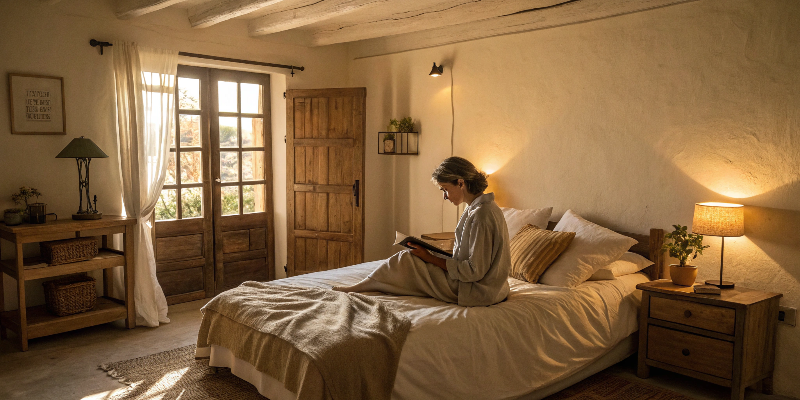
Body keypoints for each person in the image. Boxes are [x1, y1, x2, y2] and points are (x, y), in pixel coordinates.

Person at [334, 156, 511, 307]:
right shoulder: (479, 209)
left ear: (460, 182)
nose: (444, 196)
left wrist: (431, 258)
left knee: (408, 260)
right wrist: (435, 255)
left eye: (445, 190)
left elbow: (473, 272)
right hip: (481, 286)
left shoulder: (482, 215)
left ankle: (361, 288)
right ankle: (369, 285)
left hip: (477, 291)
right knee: (414, 260)